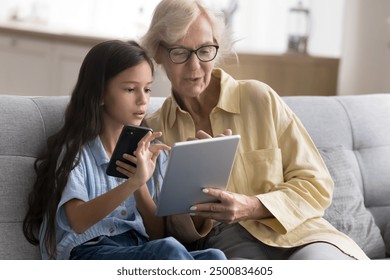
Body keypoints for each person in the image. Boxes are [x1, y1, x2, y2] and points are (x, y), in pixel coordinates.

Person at [140, 0, 369, 260]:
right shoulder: (155, 129)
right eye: (180, 53)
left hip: (301, 234)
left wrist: (252, 206)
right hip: (227, 245)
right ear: (158, 53)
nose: (195, 67)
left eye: (205, 50)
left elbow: (317, 184)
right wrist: (196, 205)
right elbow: (163, 232)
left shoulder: (258, 98)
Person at [22, 39, 226, 260]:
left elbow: (156, 234)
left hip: (139, 248)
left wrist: (142, 185)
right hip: (88, 252)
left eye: (147, 89)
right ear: (100, 93)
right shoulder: (76, 152)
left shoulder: (151, 154)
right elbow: (77, 221)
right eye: (130, 89)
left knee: (214, 258)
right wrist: (133, 182)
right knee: (169, 250)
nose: (142, 100)